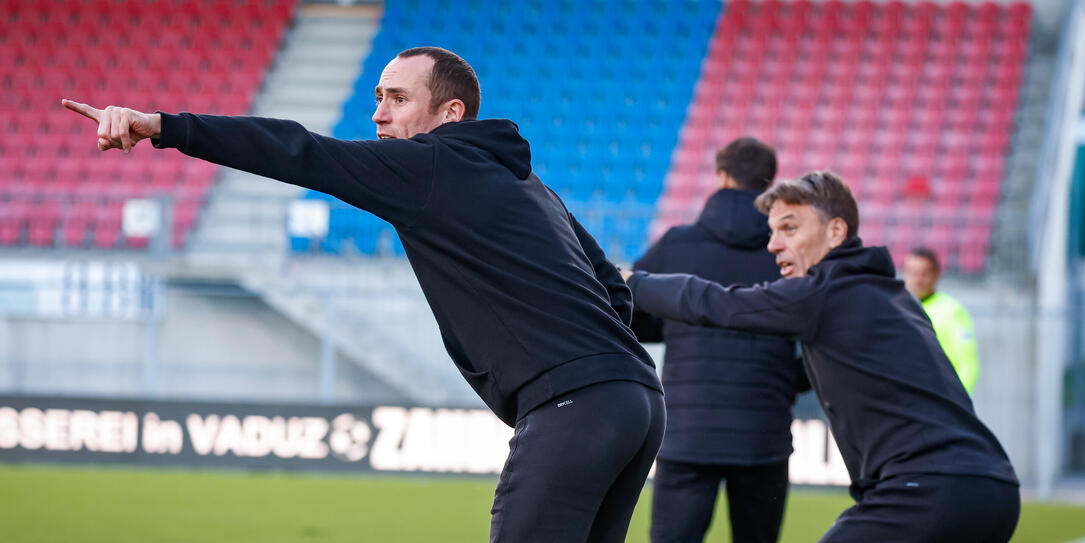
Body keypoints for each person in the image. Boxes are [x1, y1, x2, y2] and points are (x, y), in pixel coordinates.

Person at [63, 46, 665, 543]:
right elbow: (614, 289)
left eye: (398, 99)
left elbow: (299, 151)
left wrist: (162, 126)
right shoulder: (531, 184)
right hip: (637, 400)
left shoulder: (425, 166)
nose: (378, 114)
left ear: (450, 113)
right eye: (378, 97)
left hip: (575, 407)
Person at [622, 172, 1019, 542]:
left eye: (790, 228)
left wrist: (630, 283)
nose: (773, 244)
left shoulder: (821, 292)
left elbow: (719, 304)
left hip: (924, 492)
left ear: (836, 231)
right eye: (773, 231)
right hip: (992, 487)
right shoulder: (894, 296)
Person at [631, 138, 806, 543]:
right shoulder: (788, 254)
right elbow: (822, 332)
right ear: (770, 186)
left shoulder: (676, 244)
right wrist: (785, 381)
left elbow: (625, 307)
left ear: (721, 176)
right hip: (763, 436)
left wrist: (674, 329)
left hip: (687, 435)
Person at [903, 247, 980, 394]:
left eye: (924, 273)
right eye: (912, 273)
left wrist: (956, 402)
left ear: (936, 274)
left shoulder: (952, 311)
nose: (917, 279)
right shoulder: (895, 308)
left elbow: (967, 364)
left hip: (937, 402)